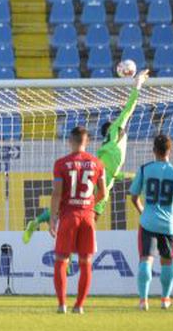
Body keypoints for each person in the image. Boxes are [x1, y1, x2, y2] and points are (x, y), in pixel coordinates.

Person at [23, 69, 148, 242]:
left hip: (101, 183)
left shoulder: (108, 149)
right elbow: (129, 108)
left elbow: (113, 174)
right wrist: (138, 84)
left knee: (73, 211)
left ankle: (37, 222)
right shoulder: (116, 131)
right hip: (98, 187)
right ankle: (67, 257)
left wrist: (134, 175)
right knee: (85, 223)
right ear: (111, 128)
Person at [128, 133, 173, 311]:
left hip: (148, 222)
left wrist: (143, 211)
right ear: (169, 151)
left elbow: (133, 197)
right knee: (167, 261)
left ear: (153, 150)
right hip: (168, 225)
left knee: (146, 260)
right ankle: (165, 299)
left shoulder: (144, 169)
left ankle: (143, 301)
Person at [49, 126, 106, 315]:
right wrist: (88, 204)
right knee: (86, 261)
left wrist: (52, 219)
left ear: (70, 141)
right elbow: (103, 193)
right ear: (87, 141)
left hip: (68, 216)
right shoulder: (98, 163)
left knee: (61, 259)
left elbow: (57, 194)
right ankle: (79, 306)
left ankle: (62, 305)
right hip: (88, 217)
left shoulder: (60, 163)